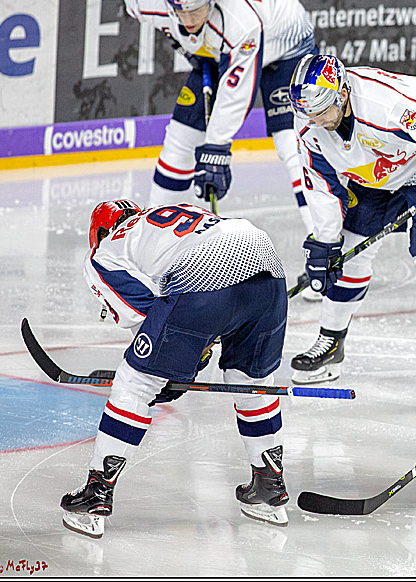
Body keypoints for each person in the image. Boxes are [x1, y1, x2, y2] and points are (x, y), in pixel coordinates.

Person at [62, 200, 291, 538]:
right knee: (253, 381)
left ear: (98, 232)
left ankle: (97, 492)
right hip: (268, 266)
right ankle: (269, 485)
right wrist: (188, 357)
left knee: (136, 382)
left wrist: (173, 366)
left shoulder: (105, 252)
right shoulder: (169, 216)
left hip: (205, 276)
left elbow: (141, 314)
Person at [287, 54, 416, 410]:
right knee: (347, 255)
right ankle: (330, 343)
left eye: (321, 112)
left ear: (342, 95)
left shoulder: (386, 106)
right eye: (308, 114)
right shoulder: (310, 125)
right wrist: (325, 242)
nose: (314, 121)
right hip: (375, 172)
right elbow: (322, 187)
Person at [123, 0, 314, 231]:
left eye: (195, 10)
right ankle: (153, 237)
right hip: (221, 50)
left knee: (293, 146)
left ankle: (325, 243)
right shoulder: (157, 2)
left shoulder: (240, 21)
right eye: (180, 10)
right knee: (180, 140)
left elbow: (237, 92)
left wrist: (216, 147)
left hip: (283, 46)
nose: (187, 19)